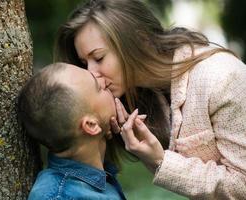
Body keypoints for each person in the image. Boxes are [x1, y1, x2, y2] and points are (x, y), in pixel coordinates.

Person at [54, 0, 246, 199]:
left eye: (99, 58)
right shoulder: (142, 97)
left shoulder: (223, 78)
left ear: (140, 41)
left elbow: (242, 185)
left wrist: (161, 161)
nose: (91, 74)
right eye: (85, 63)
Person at [17, 62, 130, 200]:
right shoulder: (59, 196)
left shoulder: (97, 178)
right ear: (91, 125)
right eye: (99, 88)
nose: (103, 79)